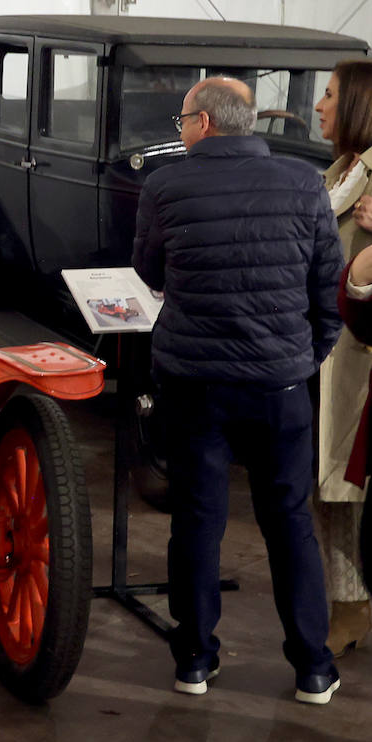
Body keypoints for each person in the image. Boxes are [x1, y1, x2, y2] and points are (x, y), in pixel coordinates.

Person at [132, 76, 344, 703]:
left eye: (181, 121)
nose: (180, 130)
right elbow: (328, 287)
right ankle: (312, 667)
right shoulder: (305, 182)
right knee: (289, 523)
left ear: (202, 123)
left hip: (195, 385)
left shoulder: (166, 184)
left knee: (198, 521)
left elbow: (147, 270)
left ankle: (195, 661)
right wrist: (306, 357)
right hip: (281, 385)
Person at [312, 60, 372, 656]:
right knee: (330, 492)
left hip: (362, 361)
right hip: (331, 355)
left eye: (328, 95)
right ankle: (348, 605)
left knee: (347, 490)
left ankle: (353, 609)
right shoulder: (341, 172)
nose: (319, 105)